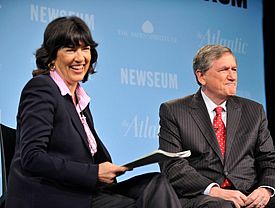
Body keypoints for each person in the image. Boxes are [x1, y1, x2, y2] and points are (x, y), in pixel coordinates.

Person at [5, 16, 181, 208]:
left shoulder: (79, 100)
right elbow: (33, 158)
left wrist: (110, 170)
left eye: (85, 49)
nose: (80, 58)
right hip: (50, 196)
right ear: (52, 57)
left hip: (83, 191)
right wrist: (94, 172)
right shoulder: (41, 88)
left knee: (156, 184)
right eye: (71, 50)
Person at [158, 44, 275, 208]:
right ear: (201, 76)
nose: (232, 76)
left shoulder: (254, 111)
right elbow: (173, 166)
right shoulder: (174, 111)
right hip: (204, 197)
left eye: (234, 69)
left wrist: (265, 190)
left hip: (248, 196)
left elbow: (270, 159)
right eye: (224, 70)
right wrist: (215, 190)